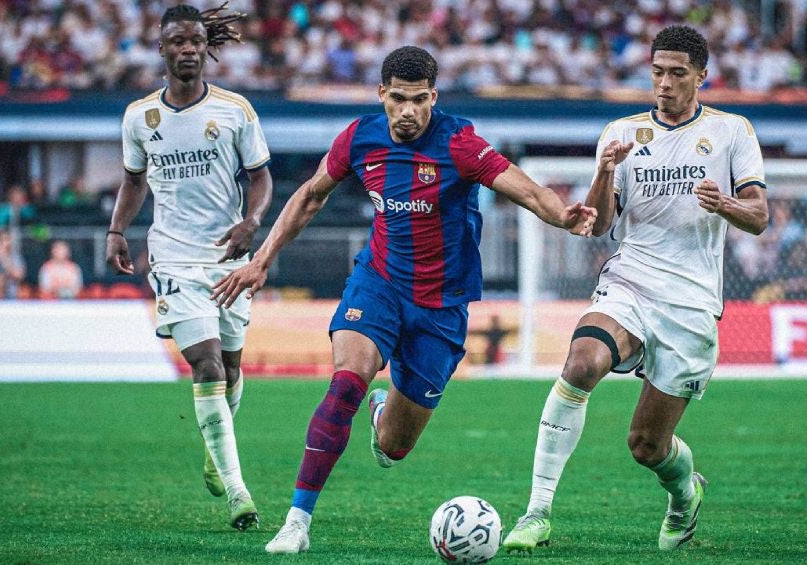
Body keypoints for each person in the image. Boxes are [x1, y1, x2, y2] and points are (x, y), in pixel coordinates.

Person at [209, 45, 597, 555]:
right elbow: (308, 195)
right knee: (346, 381)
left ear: (433, 97)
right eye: (398, 99)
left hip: (441, 307)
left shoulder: (458, 143)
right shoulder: (359, 138)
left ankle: (381, 415)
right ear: (382, 95)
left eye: (419, 100)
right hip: (379, 284)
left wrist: (560, 215)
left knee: (395, 445)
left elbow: (524, 189)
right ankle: (297, 522)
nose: (408, 111)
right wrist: (262, 259)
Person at [501, 25, 769, 553]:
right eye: (657, 72)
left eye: (677, 74)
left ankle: (684, 496)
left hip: (691, 302)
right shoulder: (620, 132)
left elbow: (759, 216)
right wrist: (603, 173)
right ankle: (536, 512)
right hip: (630, 281)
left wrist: (726, 206)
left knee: (646, 446)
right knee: (581, 363)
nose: (664, 83)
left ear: (701, 76)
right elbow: (598, 225)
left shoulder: (733, 131)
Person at [104, 4, 273, 531]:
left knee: (232, 367)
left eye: (195, 42)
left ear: (206, 47)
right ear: (162, 49)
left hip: (228, 259)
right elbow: (134, 182)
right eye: (177, 41)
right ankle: (238, 493)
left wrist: (252, 220)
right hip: (173, 256)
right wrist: (116, 231)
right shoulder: (138, 117)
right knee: (205, 366)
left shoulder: (235, 110)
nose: (187, 50)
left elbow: (261, 177)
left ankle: (214, 452)